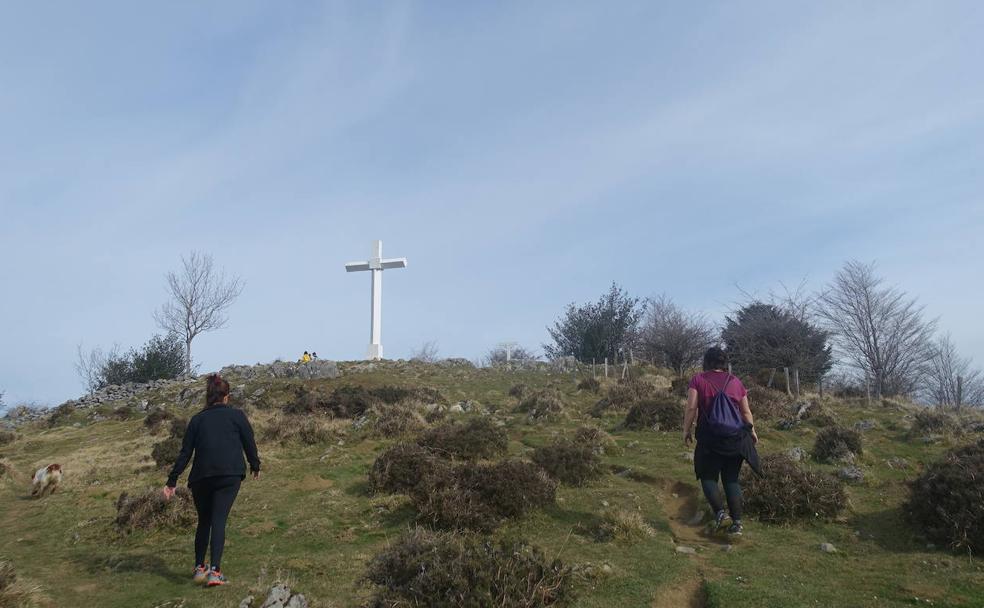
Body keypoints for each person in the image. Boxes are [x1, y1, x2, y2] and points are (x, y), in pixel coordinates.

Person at [163, 374, 261, 587]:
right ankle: (215, 572)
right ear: (227, 396)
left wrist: (172, 481)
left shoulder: (197, 420)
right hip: (229, 475)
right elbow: (249, 442)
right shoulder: (237, 416)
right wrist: (255, 465)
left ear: (208, 397)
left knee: (204, 521)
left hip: (201, 478)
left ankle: (199, 569)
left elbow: (185, 453)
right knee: (218, 520)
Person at [682, 347, 760, 537]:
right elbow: (745, 411)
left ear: (706, 362)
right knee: (731, 479)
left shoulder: (698, 380)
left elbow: (692, 407)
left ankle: (720, 513)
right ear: (724, 363)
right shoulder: (735, 381)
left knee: (708, 476)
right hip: (736, 439)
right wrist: (753, 431)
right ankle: (737, 524)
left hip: (710, 439)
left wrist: (686, 430)